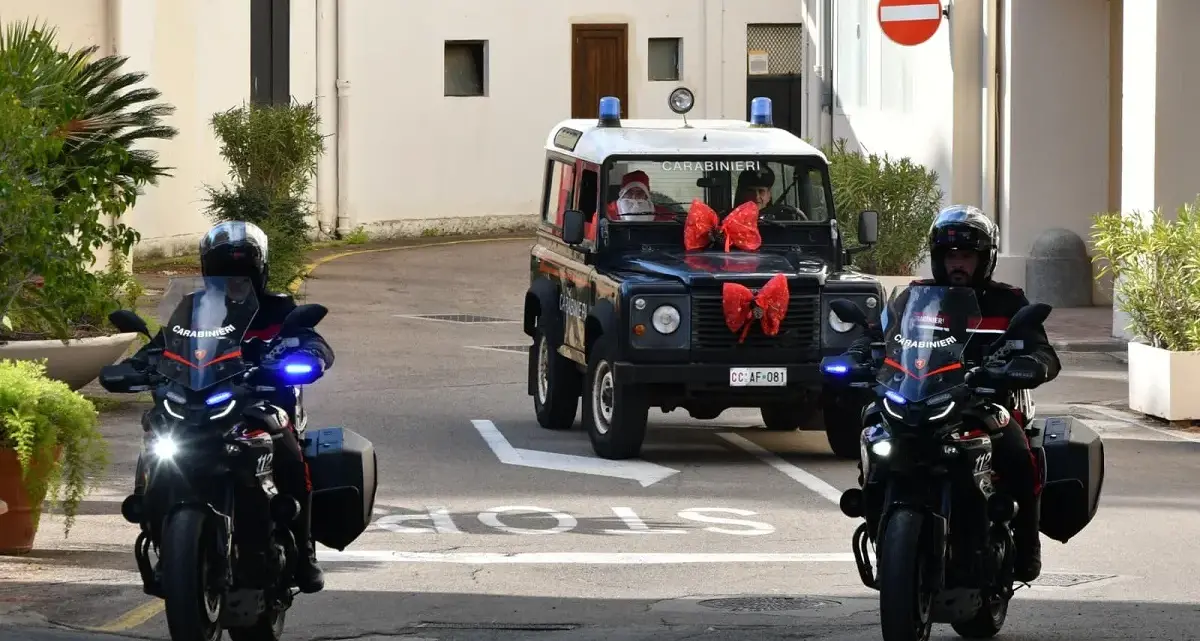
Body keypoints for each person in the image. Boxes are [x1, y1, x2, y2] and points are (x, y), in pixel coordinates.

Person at [845, 205, 1060, 583]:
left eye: (966, 255)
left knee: (1016, 450)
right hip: (918, 396)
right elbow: (878, 337)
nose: (957, 263)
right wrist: (856, 355)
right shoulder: (913, 298)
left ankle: (1027, 544)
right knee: (871, 426)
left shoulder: (1008, 302)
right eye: (949, 255)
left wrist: (1031, 364)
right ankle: (875, 506)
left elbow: (1040, 350)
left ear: (985, 259)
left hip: (980, 401)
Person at [124, 221, 332, 594]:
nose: (234, 281)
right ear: (208, 273)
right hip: (195, 401)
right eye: (224, 273)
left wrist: (309, 355)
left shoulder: (278, 310)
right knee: (157, 436)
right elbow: (162, 346)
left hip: (260, 401)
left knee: (289, 449)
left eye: (243, 273)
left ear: (260, 272)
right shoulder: (191, 308)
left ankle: (303, 550)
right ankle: (153, 521)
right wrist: (136, 365)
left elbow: (310, 340)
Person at [605, 170, 674, 221]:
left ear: (646, 195)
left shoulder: (662, 214)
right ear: (622, 194)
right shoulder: (606, 213)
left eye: (639, 192)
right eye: (630, 192)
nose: (634, 197)